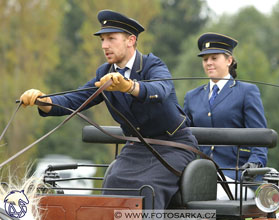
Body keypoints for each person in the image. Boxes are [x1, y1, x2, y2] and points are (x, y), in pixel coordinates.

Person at [20, 10, 197, 209]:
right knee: (112, 184)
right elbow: (75, 100)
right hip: (137, 147)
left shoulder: (152, 65)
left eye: (111, 39)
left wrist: (129, 86)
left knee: (147, 188)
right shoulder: (104, 73)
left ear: (131, 40)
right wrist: (42, 100)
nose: (105, 46)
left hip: (173, 146)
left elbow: (161, 90)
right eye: (103, 40)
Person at [183, 32, 268, 199]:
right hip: (198, 174)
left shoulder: (246, 92)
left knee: (205, 197)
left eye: (214, 58)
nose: (209, 63)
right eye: (205, 59)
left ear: (229, 60)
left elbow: (260, 140)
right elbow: (184, 137)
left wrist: (254, 165)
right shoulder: (191, 96)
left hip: (236, 175)